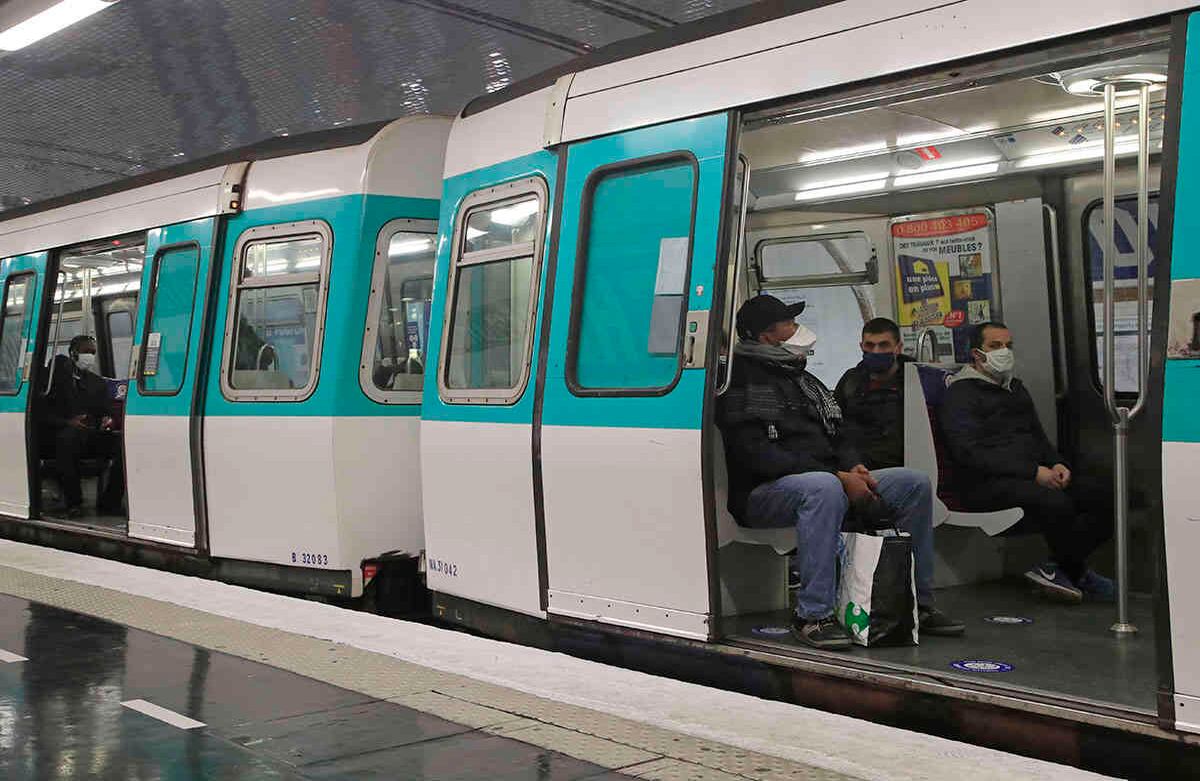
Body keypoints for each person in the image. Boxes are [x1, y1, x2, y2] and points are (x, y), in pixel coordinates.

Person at [717, 295, 963, 650]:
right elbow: (757, 455)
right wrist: (837, 477)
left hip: (828, 478)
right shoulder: (742, 382)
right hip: (763, 493)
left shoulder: (804, 379)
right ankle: (813, 614)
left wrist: (853, 466)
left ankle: (917, 603)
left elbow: (839, 431)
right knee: (822, 489)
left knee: (913, 484)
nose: (799, 330)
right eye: (790, 323)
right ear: (768, 336)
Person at [940, 322, 1114, 602]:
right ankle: (1074, 571)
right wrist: (1033, 473)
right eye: (995, 346)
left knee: (1105, 496)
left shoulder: (1015, 389)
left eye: (1008, 345)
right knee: (1056, 503)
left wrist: (1057, 464)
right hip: (983, 484)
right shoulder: (961, 395)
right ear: (977, 354)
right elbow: (970, 454)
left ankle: (1061, 567)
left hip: (1027, 476)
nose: (1004, 352)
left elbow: (1038, 438)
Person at [41, 335, 125, 519]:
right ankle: (74, 503)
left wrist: (107, 418)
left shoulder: (96, 382)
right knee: (67, 440)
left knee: (122, 444)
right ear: (73, 353)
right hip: (59, 432)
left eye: (93, 353)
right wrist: (68, 422)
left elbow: (106, 410)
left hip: (89, 433)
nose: (90, 356)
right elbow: (43, 412)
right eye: (86, 352)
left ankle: (110, 502)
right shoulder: (54, 379)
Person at [835, 317, 912, 470]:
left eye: (884, 345)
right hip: (859, 468)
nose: (876, 351)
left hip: (905, 466)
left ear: (898, 348)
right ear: (861, 346)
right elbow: (835, 429)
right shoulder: (850, 381)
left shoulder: (914, 380)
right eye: (869, 345)